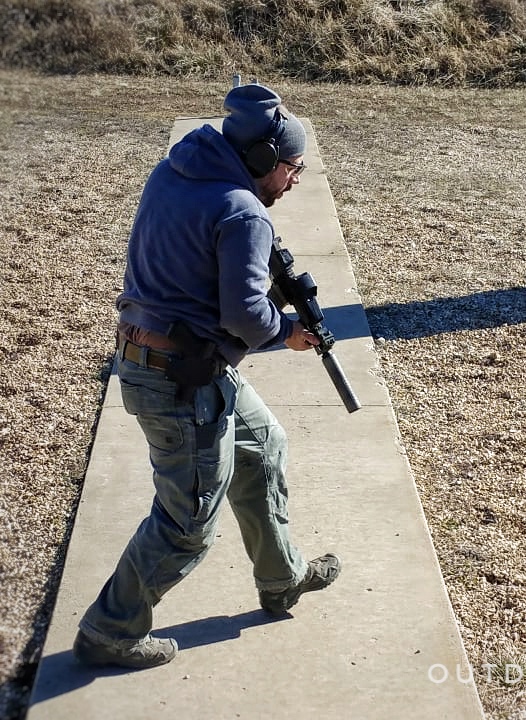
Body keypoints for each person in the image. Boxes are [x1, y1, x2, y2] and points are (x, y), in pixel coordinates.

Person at [73, 83, 341, 669]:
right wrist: (287, 333)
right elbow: (245, 315)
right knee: (187, 523)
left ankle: (281, 577)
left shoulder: (175, 172)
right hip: (180, 383)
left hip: (176, 360)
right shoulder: (243, 211)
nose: (296, 179)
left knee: (263, 444)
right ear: (266, 159)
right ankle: (108, 632)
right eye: (292, 167)